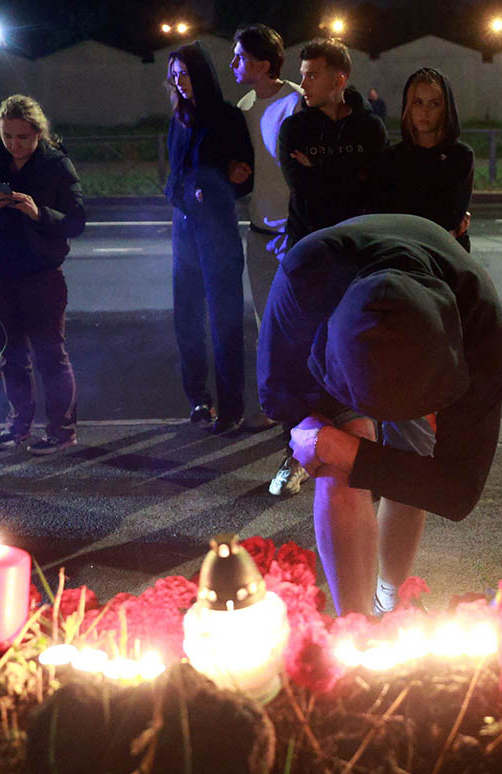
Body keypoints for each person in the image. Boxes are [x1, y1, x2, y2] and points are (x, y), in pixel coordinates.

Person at [257, 214, 502, 616]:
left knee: (412, 464)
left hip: (426, 337)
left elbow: (458, 490)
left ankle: (389, 598)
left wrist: (339, 446)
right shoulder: (304, 277)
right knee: (337, 467)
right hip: (339, 331)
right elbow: (276, 391)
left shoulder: (479, 319)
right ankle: (354, 626)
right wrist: (323, 438)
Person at [0, 94, 85, 455]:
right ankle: (19, 423)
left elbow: (77, 221)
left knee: (50, 353)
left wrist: (38, 213)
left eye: (23, 137)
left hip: (41, 274)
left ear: (39, 133)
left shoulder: (57, 167)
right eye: (8, 136)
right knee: (10, 354)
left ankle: (61, 430)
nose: (14, 145)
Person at [230, 24, 309, 495]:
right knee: (266, 327)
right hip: (259, 234)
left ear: (262, 63)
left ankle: (308, 419)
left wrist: (297, 227)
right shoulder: (242, 107)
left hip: (294, 235)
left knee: (300, 327)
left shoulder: (296, 101)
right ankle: (278, 408)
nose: (235, 65)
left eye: (240, 57)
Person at [165, 42, 254, 436]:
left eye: (184, 73)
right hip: (184, 230)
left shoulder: (227, 117)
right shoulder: (179, 120)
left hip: (217, 231)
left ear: (200, 74)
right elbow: (172, 181)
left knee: (225, 323)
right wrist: (187, 193)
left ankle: (231, 407)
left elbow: (243, 177)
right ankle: (198, 399)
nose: (179, 82)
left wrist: (215, 185)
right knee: (187, 319)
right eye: (174, 75)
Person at [277, 38, 388, 246]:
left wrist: (316, 166)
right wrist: (353, 174)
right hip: (308, 245)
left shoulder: (371, 128)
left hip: (360, 245)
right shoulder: (294, 129)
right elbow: (303, 191)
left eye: (312, 76)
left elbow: (376, 191)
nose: (303, 85)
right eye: (303, 75)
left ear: (339, 81)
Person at [371, 68, 474, 251]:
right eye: (418, 102)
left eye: (434, 104)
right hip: (400, 254)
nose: (425, 111)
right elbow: (385, 216)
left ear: (446, 108)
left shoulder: (460, 156)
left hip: (445, 254)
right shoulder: (391, 157)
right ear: (408, 106)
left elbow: (449, 216)